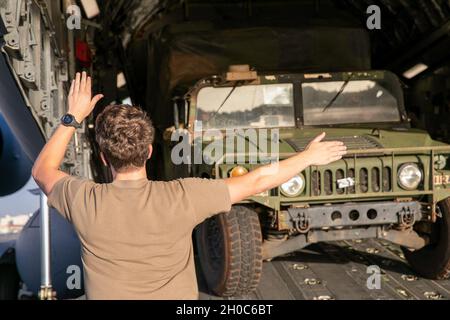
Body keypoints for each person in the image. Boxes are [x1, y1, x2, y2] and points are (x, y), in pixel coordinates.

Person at [32, 72, 347, 299]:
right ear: (150, 151)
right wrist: (307, 158)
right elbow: (258, 180)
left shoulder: (85, 199)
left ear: (102, 158)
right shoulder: (183, 196)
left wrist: (73, 117)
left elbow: (43, 170)